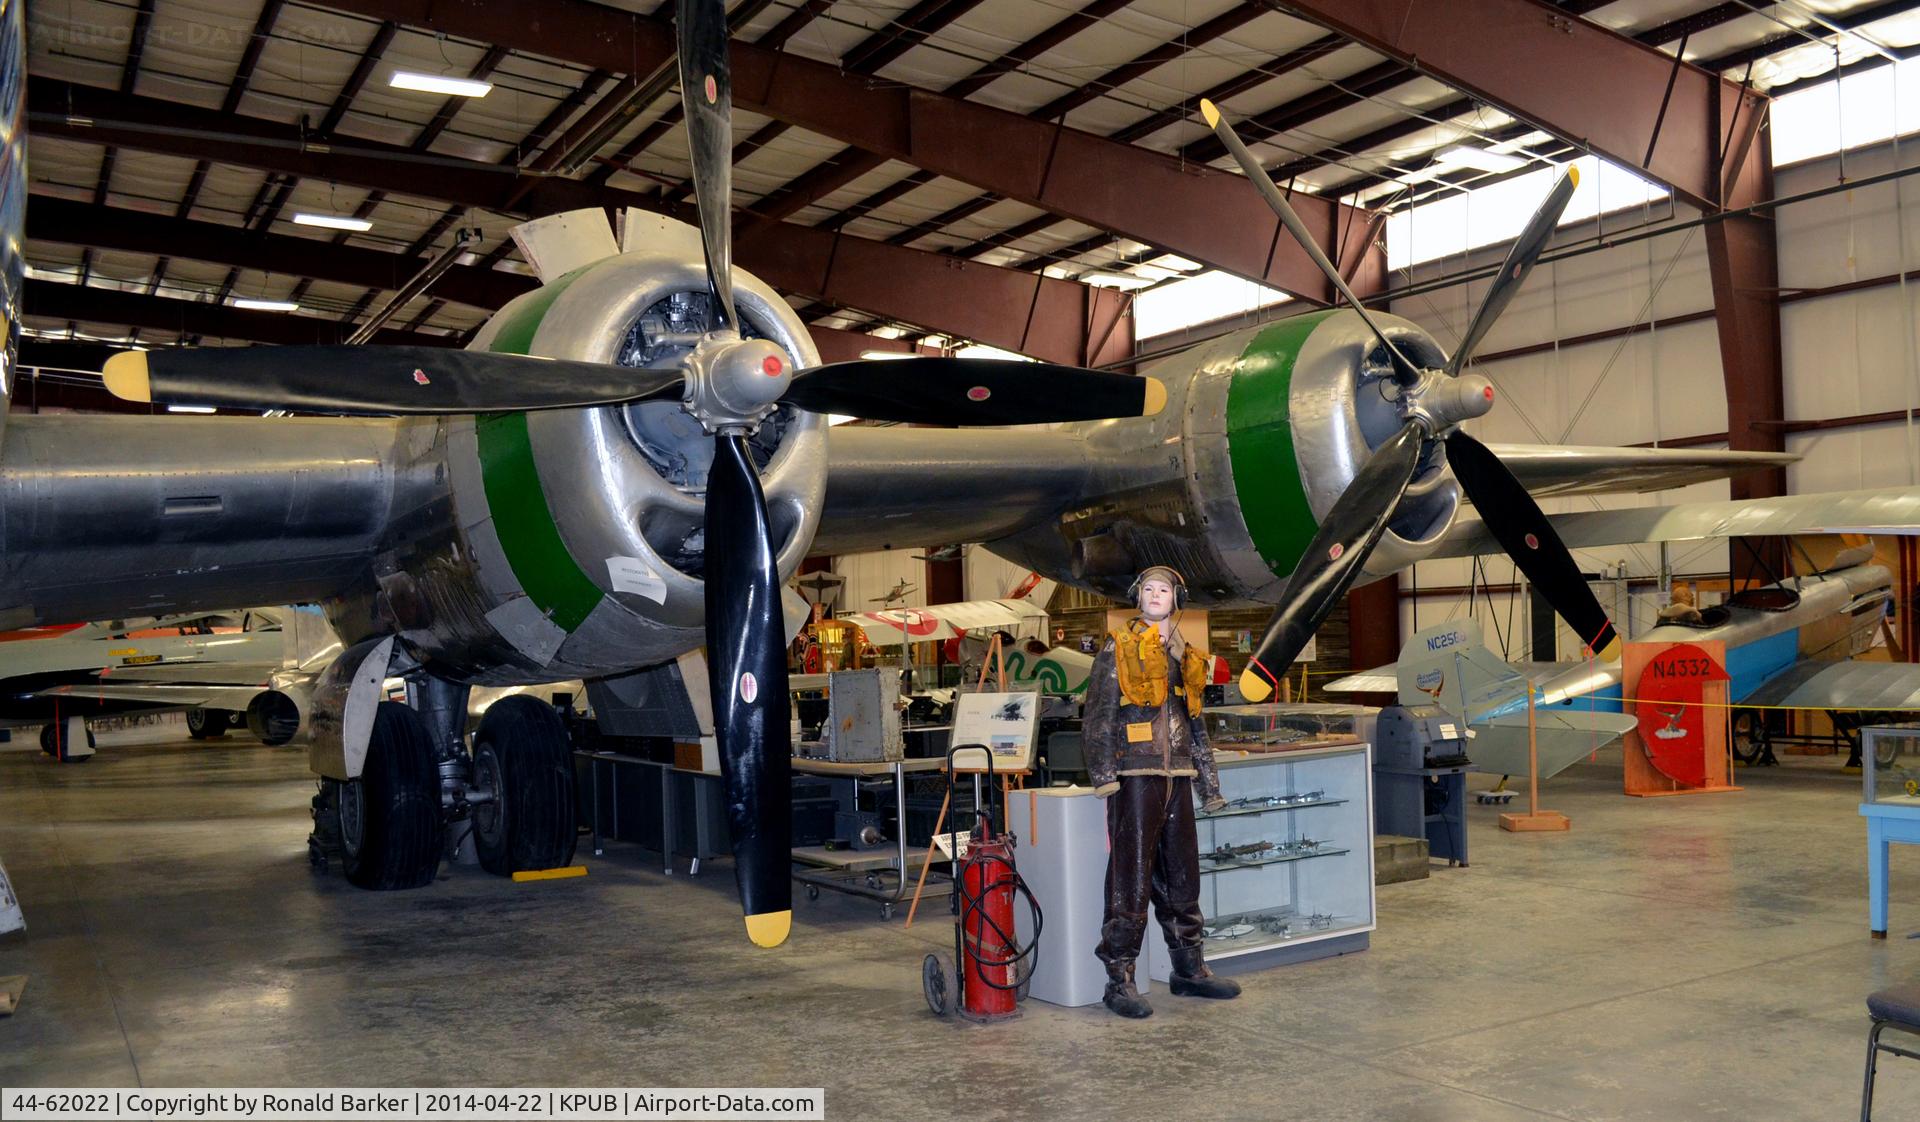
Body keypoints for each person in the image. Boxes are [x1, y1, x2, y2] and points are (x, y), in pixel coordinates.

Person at [1083, 565, 1241, 1018]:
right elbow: (1098, 715)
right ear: (1138, 597)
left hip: (1178, 778)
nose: (1156, 595)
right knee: (1129, 879)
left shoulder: (1183, 654)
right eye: (1149, 589)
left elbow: (1195, 724)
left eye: (1164, 589)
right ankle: (1119, 979)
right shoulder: (1119, 647)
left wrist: (1209, 784)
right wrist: (1105, 776)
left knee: (1182, 875)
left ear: (1176, 599)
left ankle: (1188, 969)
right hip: (1135, 778)